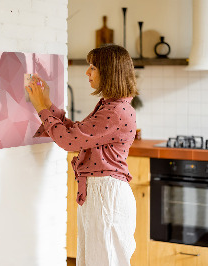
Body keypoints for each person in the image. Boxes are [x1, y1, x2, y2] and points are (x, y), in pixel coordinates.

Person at [26, 44, 138, 266]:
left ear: (109, 72)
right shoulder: (111, 106)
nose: (87, 72)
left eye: (93, 67)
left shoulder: (115, 111)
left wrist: (41, 108)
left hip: (106, 195)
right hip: (101, 193)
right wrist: (47, 104)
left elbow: (69, 141)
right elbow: (77, 133)